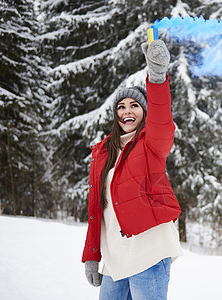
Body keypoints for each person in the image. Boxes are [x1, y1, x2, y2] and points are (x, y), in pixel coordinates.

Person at [82, 39, 183, 300]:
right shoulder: (103, 153)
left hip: (148, 254)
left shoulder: (151, 143)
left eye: (135, 105)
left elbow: (162, 120)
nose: (127, 111)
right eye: (121, 106)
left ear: (144, 111)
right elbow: (97, 209)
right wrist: (92, 256)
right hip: (115, 260)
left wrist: (157, 77)